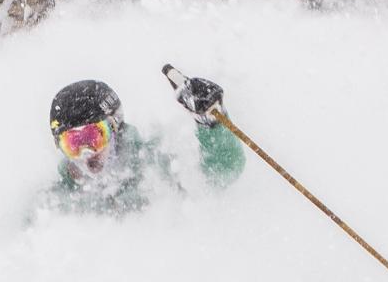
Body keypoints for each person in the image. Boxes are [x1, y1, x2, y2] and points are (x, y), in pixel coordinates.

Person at [43, 76, 245, 215]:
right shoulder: (59, 199)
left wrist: (212, 125)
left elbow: (220, 175)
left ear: (115, 128)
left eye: (94, 137)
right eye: (73, 143)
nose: (86, 153)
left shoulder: (154, 163)